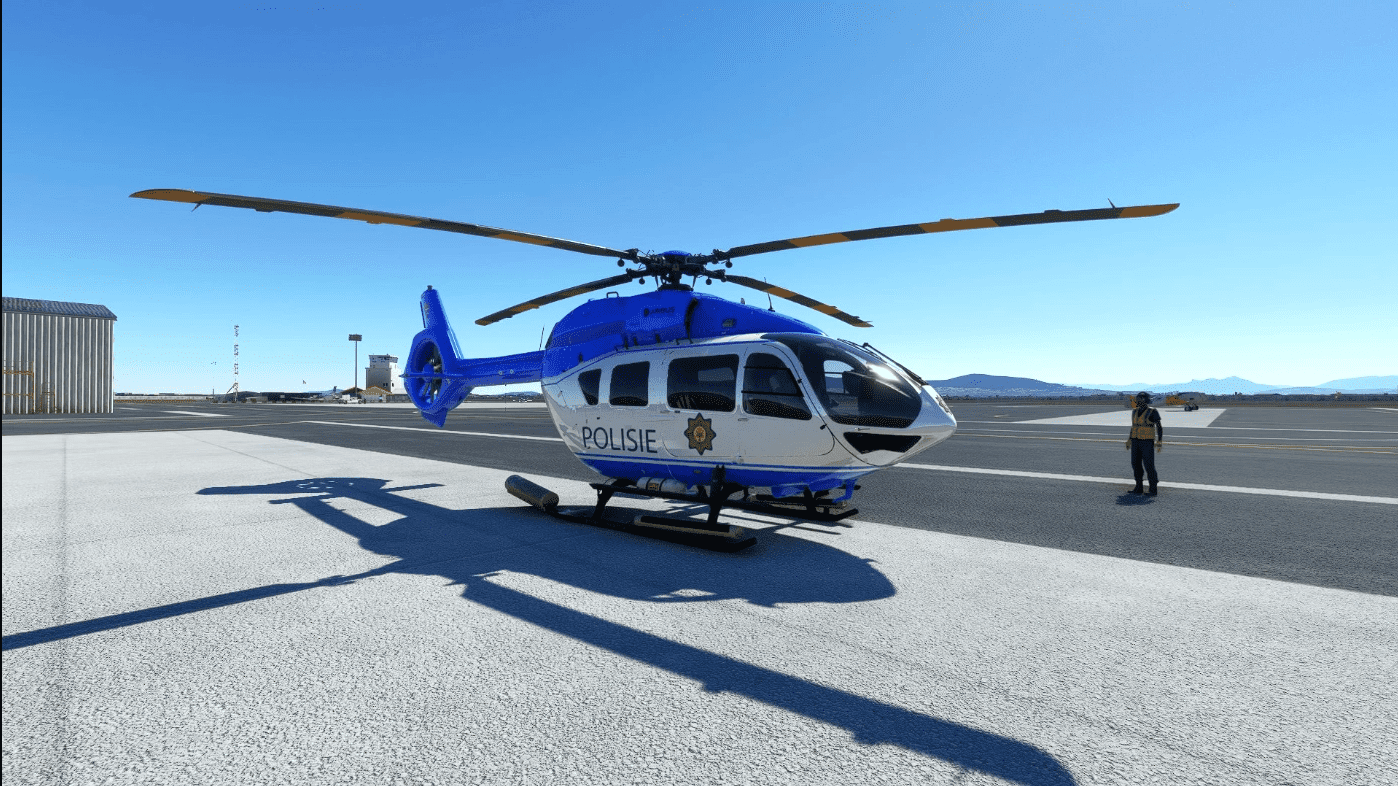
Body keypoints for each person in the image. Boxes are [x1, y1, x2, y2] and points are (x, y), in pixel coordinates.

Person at [1125, 391, 1163, 495]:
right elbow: (1134, 427)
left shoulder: (1153, 412)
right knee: (1135, 464)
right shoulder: (1134, 411)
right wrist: (1129, 440)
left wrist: (1159, 441)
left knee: (1149, 466)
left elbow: (1159, 427)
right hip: (1135, 442)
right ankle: (1139, 487)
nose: (1136, 401)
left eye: (1138, 399)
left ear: (1144, 400)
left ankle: (1153, 489)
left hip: (1147, 442)